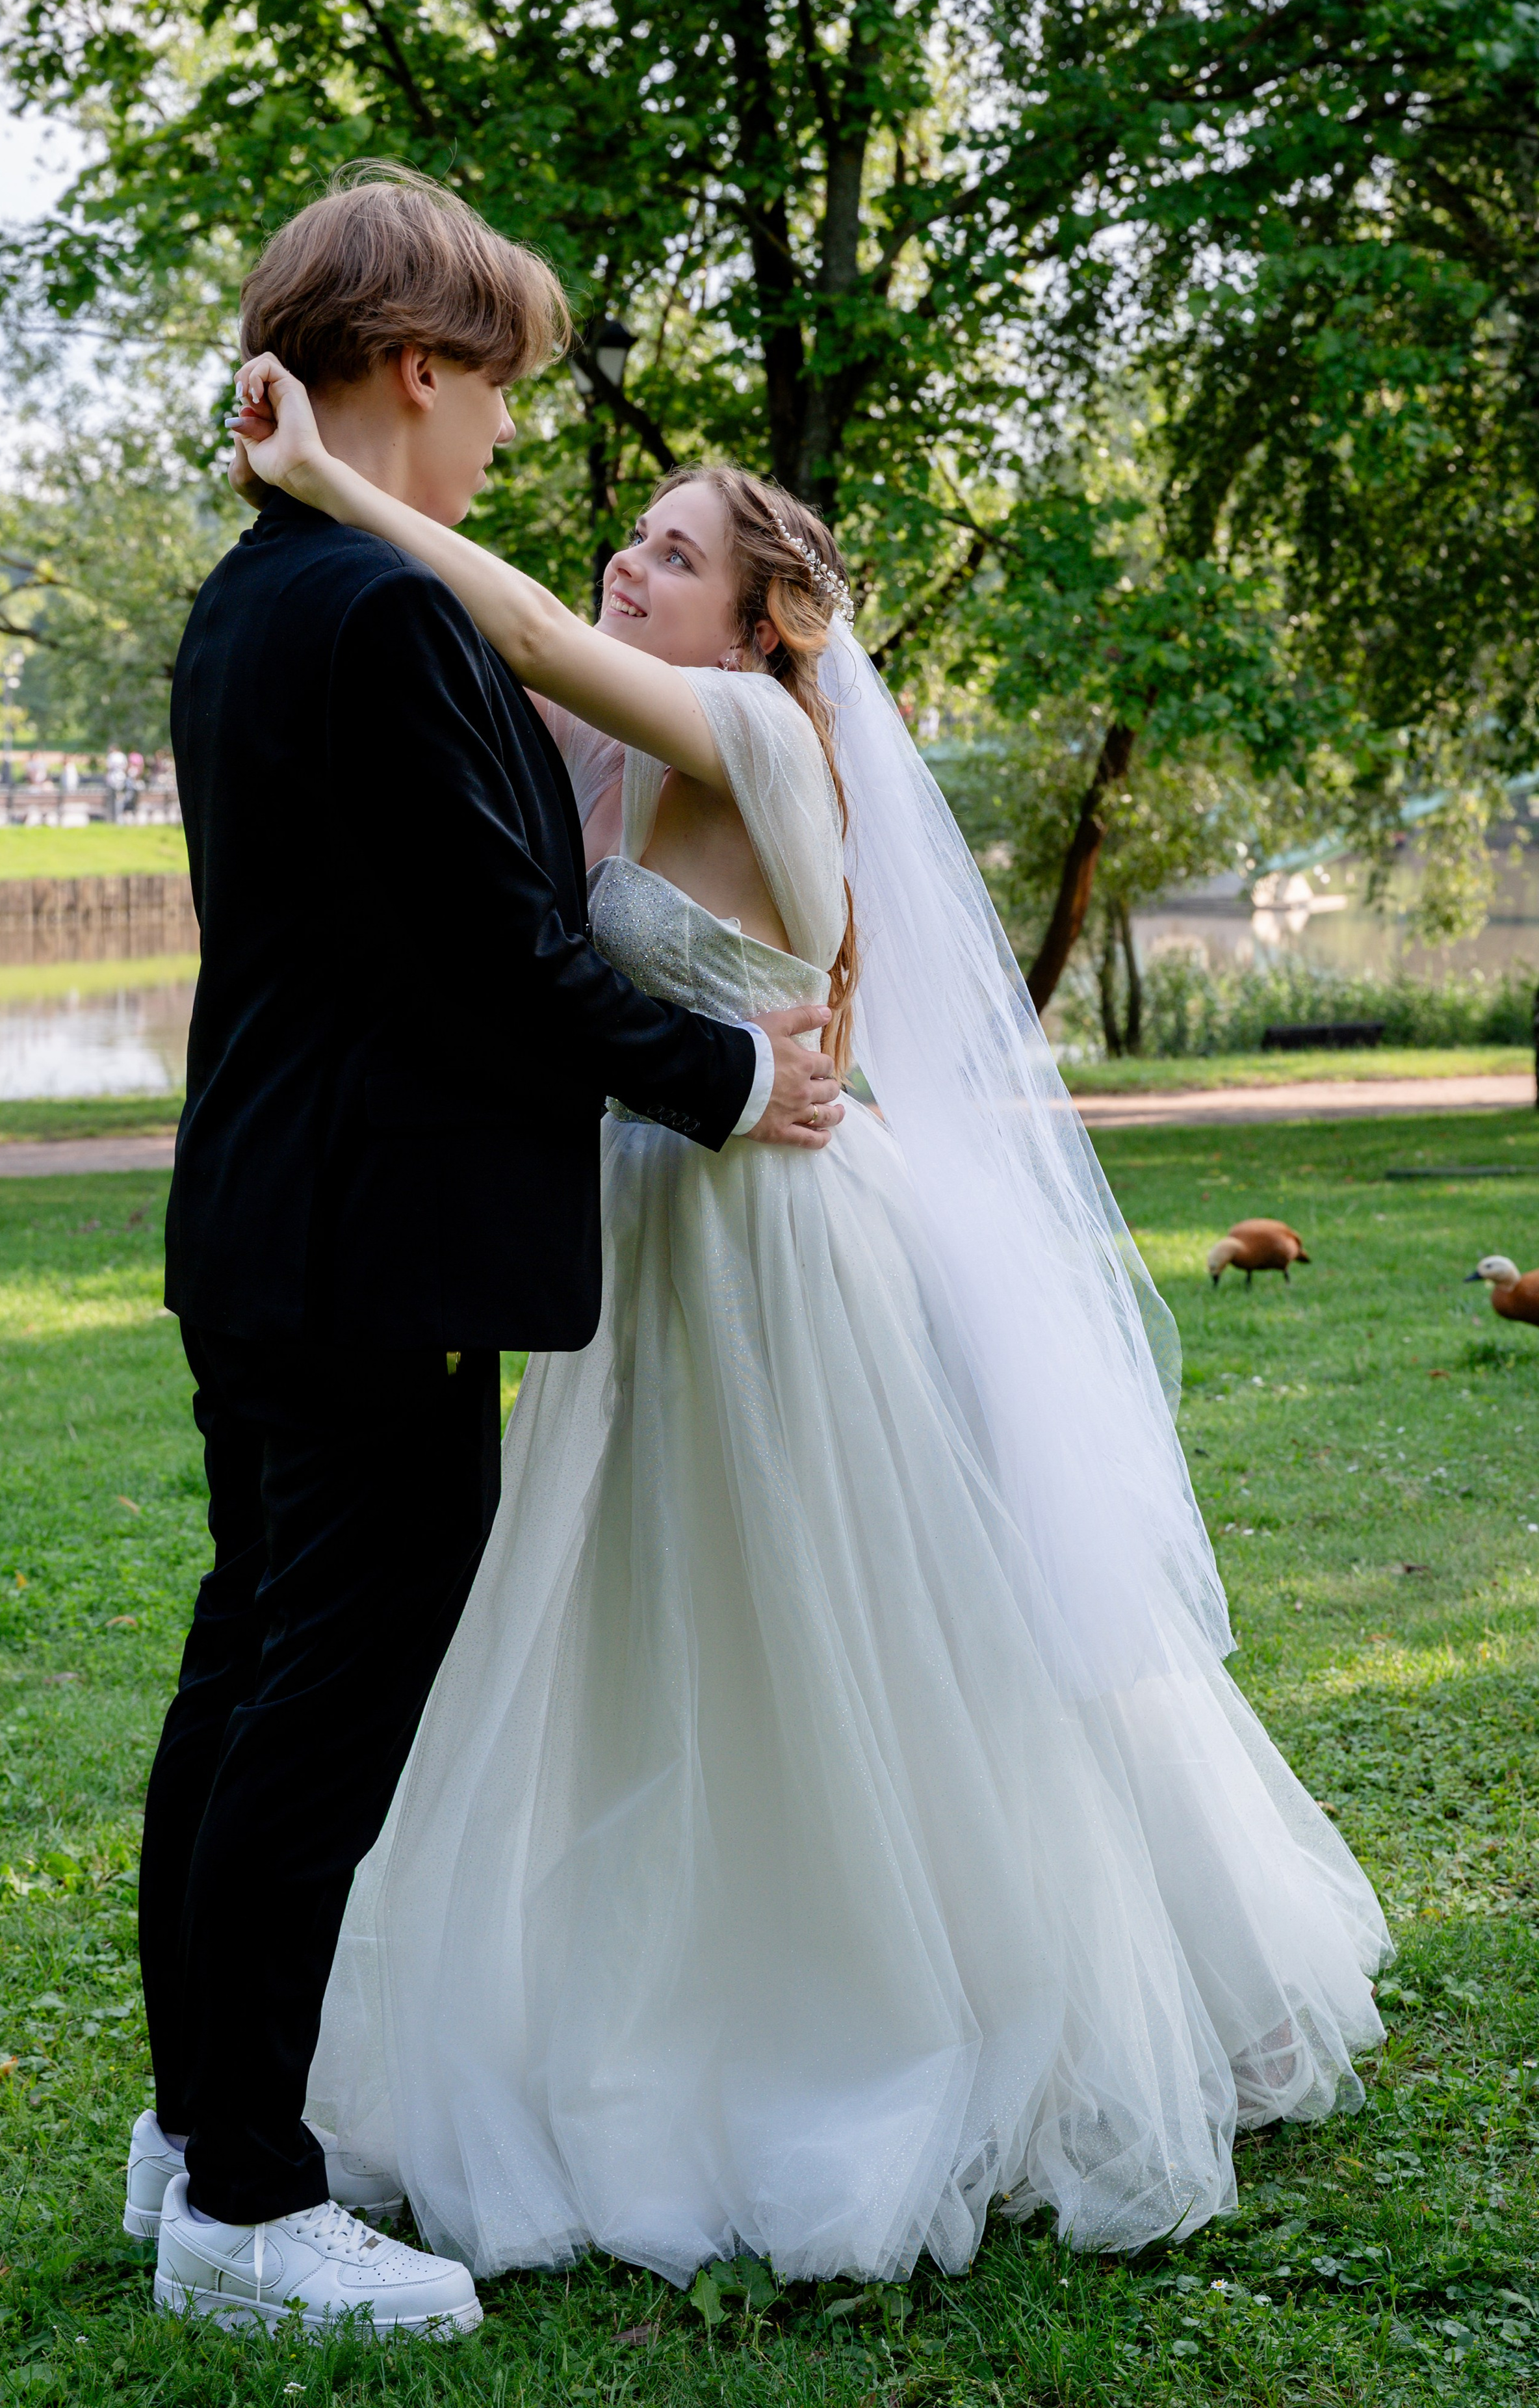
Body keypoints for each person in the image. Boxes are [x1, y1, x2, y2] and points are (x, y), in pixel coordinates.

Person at [230, 354, 1393, 2289]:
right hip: (650, 1238)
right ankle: (650, 1988)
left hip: (771, 1246)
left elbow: (499, 611)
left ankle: (896, 1997)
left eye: (671, 553)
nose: (625, 559)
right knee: (656, 1634)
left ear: (770, 626)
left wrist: (332, 482)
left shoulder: (761, 735)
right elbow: (467, 730)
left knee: (844, 1633)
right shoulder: (639, 751)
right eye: (633, 535)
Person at [130, 166, 845, 2338]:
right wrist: (726, 1085)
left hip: (270, 1220)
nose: (515, 440)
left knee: (246, 1672)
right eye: (502, 391)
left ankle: (198, 2131)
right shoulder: (379, 618)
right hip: (378, 1252)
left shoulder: (264, 596)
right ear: (416, 372)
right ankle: (252, 2199)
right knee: (313, 1708)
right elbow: (503, 962)